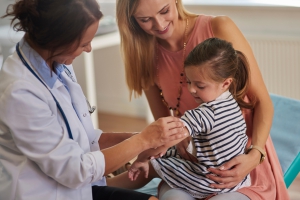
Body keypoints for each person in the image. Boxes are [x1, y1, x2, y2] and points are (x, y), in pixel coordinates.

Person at [0, 1, 188, 200]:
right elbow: (75, 171)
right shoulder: (19, 92)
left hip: (79, 187)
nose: (89, 49)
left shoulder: (56, 62)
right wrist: (143, 141)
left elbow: (87, 139)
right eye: (83, 44)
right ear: (57, 40)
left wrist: (140, 138)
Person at [116, 0, 289, 199]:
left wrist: (255, 155)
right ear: (132, 22)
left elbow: (262, 101)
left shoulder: (218, 27)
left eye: (164, 11)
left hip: (242, 160)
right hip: (192, 166)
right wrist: (175, 140)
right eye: (145, 19)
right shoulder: (144, 56)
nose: (159, 24)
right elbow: (162, 127)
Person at [109, 37, 256, 199]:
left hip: (206, 180)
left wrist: (142, 158)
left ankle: (104, 187)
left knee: (151, 165)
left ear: (226, 83)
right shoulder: (232, 103)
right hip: (233, 180)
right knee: (171, 155)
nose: (192, 90)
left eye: (199, 86)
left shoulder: (204, 114)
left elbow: (164, 140)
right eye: (189, 82)